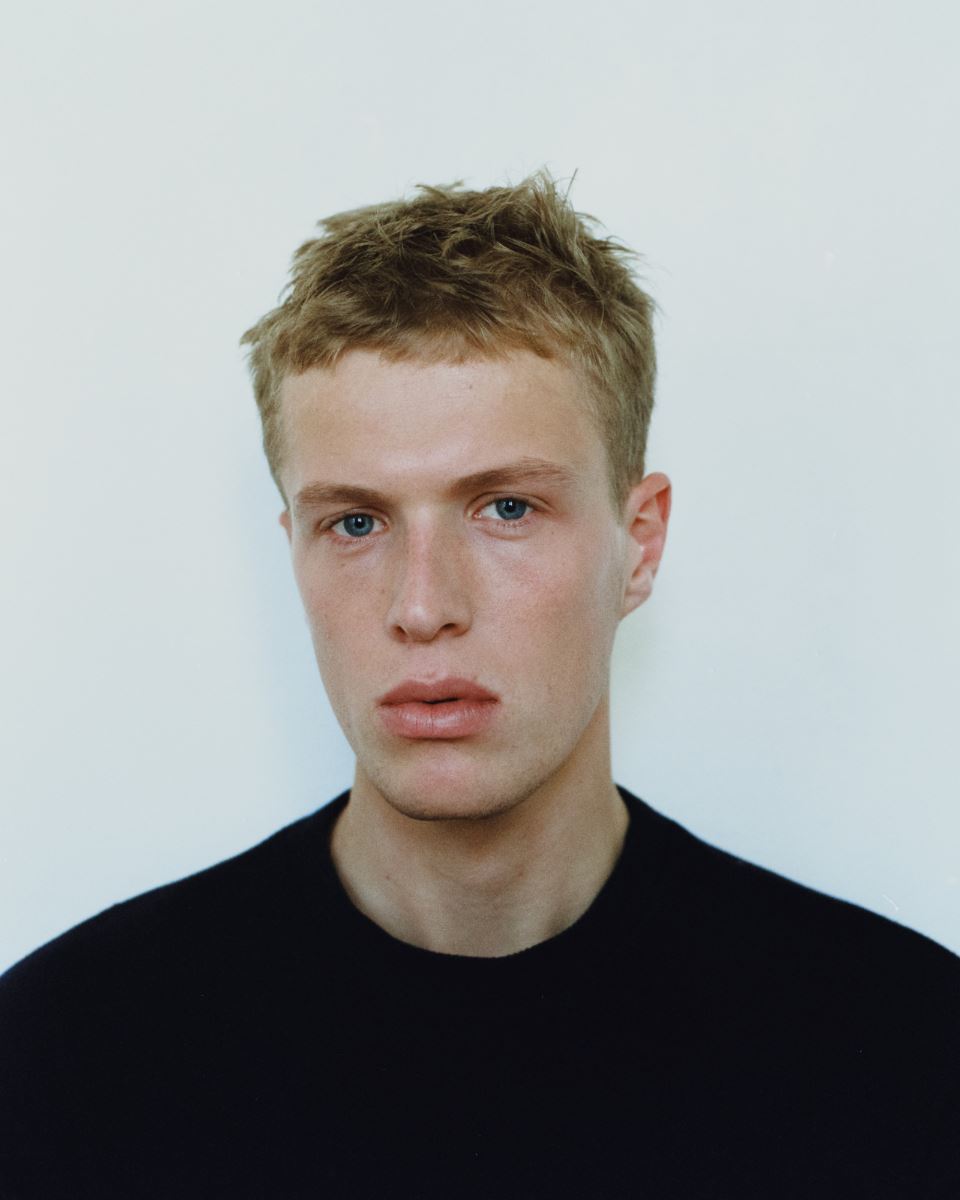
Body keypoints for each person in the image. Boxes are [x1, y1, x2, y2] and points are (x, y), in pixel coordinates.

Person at [1, 170, 957, 1200]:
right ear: (294, 550)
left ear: (639, 545)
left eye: (506, 509)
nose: (423, 605)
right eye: (355, 523)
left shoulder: (908, 1053)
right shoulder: (63, 1056)